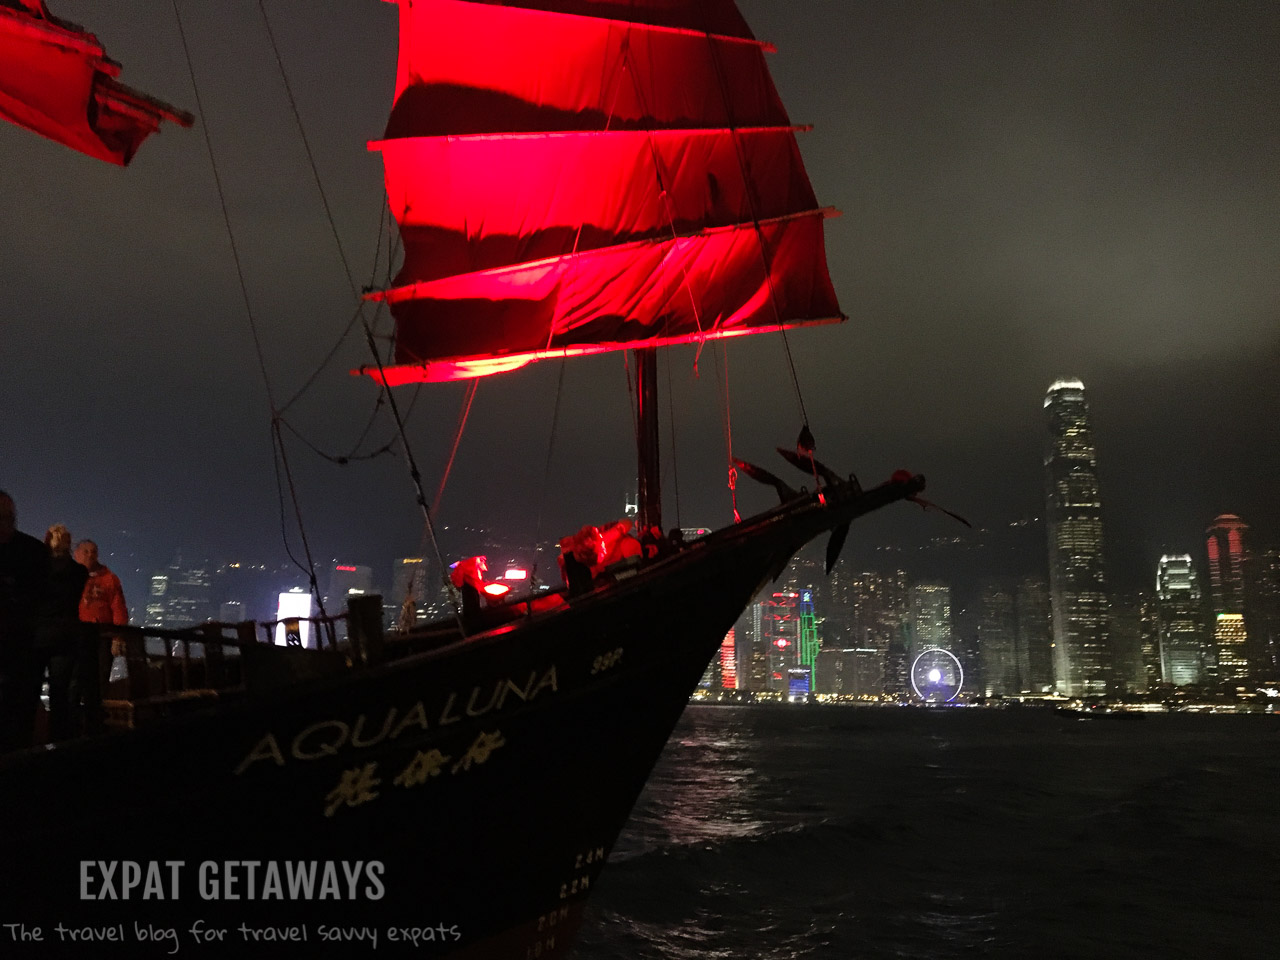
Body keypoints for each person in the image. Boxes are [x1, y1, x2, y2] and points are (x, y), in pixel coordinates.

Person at [0, 490, 50, 751]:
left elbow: (47, 599)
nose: (5, 524)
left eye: (9, 518)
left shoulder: (32, 553)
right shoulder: (34, 552)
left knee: (20, 712)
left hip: (24, 647)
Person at [35, 524, 87, 741]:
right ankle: (60, 740)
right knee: (60, 692)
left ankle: (28, 739)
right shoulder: (79, 572)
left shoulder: (37, 570)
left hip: (38, 635)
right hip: (65, 636)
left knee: (29, 688)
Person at [73, 538, 128, 733]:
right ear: (76, 554)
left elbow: (118, 608)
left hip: (102, 636)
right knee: (76, 678)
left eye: (93, 551)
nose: (90, 555)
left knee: (100, 677)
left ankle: (94, 722)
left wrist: (118, 637)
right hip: (76, 636)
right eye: (85, 551)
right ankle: (74, 721)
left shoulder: (109, 579)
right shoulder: (70, 576)